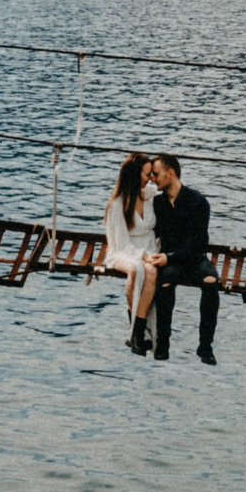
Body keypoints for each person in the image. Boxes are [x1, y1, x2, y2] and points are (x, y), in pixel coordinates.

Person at [146, 153, 216, 364]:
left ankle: (205, 346)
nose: (153, 179)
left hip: (194, 258)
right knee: (166, 282)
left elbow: (199, 241)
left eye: (156, 174)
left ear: (170, 173)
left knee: (211, 281)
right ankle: (162, 342)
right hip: (171, 262)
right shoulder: (157, 203)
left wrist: (169, 257)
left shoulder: (198, 201)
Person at [99, 152, 161, 354]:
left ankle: (137, 331)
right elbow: (120, 244)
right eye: (147, 174)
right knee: (135, 270)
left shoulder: (150, 194)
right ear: (135, 175)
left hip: (150, 247)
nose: (150, 178)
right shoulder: (117, 205)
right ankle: (137, 329)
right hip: (122, 250)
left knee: (151, 271)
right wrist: (143, 256)